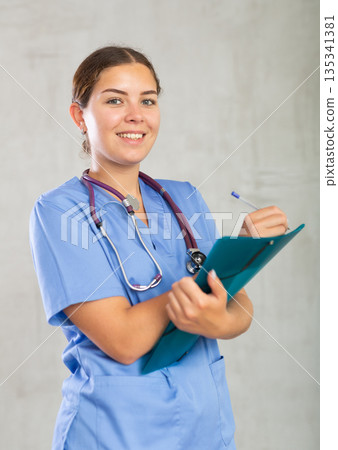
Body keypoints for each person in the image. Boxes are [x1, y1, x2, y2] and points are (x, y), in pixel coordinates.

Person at [29, 46, 288, 450]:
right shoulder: (60, 211)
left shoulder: (183, 198)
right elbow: (123, 340)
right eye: (115, 100)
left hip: (207, 429)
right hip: (117, 433)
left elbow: (238, 309)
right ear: (80, 116)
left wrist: (238, 265)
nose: (136, 115)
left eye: (147, 100)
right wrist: (199, 297)